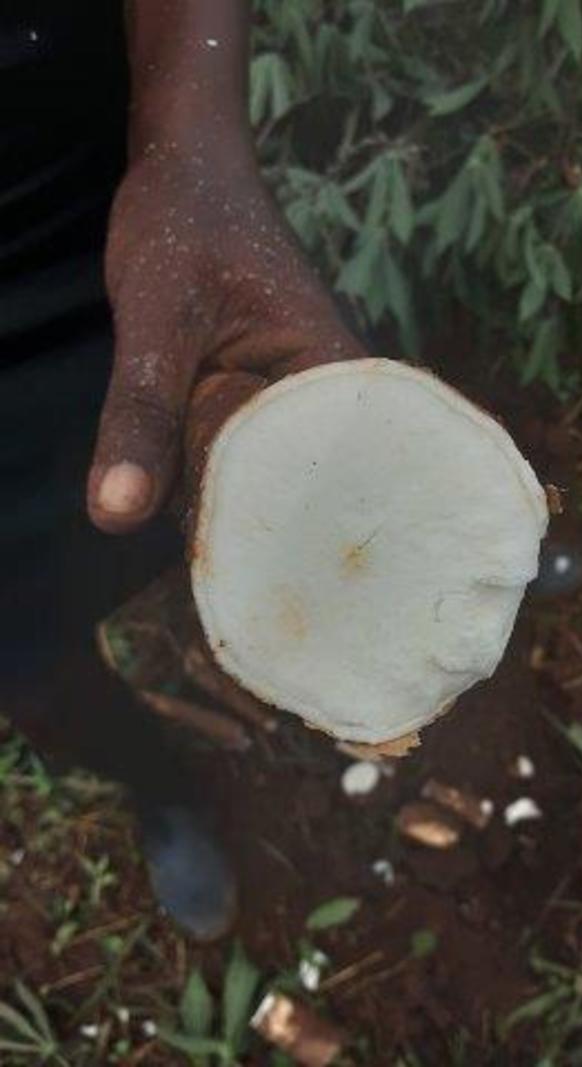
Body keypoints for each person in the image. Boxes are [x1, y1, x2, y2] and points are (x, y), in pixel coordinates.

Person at [1, 1, 367, 939]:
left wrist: (189, 135)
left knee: (253, 434)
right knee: (29, 664)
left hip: (91, 193)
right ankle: (158, 780)